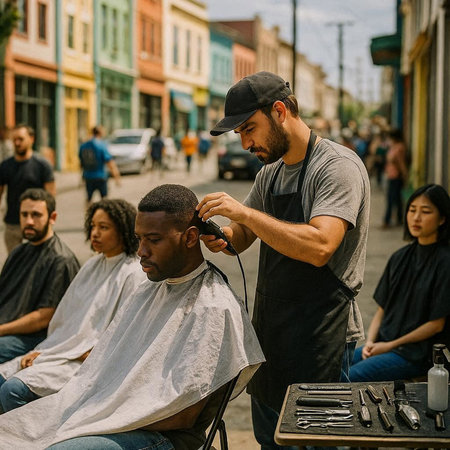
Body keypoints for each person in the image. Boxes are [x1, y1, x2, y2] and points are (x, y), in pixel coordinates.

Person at [0, 184, 264, 450]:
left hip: (167, 436)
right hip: (119, 414)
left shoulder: (212, 307)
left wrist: (102, 416)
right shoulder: (149, 291)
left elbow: (183, 414)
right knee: (12, 431)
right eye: (140, 239)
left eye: (154, 239)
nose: (141, 251)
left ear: (191, 237)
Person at [197, 71, 370, 450]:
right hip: (271, 335)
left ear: (279, 111)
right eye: (239, 134)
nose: (245, 143)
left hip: (321, 335)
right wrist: (217, 234)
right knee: (272, 442)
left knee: (318, 443)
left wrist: (244, 215)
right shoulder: (270, 174)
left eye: (249, 129)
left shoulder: (337, 166)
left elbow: (321, 245)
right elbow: (240, 240)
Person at [0, 198, 146, 412]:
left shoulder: (132, 273)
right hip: (63, 351)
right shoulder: (92, 265)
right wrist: (48, 350)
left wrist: (59, 353)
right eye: (93, 226)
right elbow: (69, 323)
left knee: (12, 389)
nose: (94, 233)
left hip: (86, 362)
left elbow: (119, 341)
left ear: (123, 230)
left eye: (103, 227)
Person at [350, 184, 450, 382]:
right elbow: (382, 308)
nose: (416, 218)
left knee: (350, 377)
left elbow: (436, 325)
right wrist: (370, 340)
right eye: (412, 210)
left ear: (442, 219)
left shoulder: (445, 262)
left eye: (426, 211)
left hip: (416, 353)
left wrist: (389, 346)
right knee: (333, 365)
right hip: (383, 343)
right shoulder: (400, 257)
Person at [0, 189, 80, 364]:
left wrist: (1, 329)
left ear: (52, 218)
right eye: (24, 214)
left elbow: (44, 318)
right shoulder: (19, 251)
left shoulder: (61, 260)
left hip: (34, 337)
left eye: (36, 215)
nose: (29, 221)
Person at [0, 124, 55, 253]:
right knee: (14, 263)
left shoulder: (42, 165)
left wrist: (48, 222)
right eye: (14, 140)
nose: (17, 143)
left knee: (38, 262)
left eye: (20, 139)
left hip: (37, 223)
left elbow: (50, 196)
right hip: (13, 223)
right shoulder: (5, 166)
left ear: (31, 139)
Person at [79, 125, 121, 205]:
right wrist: (117, 177)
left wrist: (81, 177)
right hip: (101, 176)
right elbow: (110, 162)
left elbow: (81, 162)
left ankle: (88, 215)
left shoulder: (83, 145)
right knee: (104, 200)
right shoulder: (101, 145)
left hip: (88, 177)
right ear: (100, 133)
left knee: (89, 199)